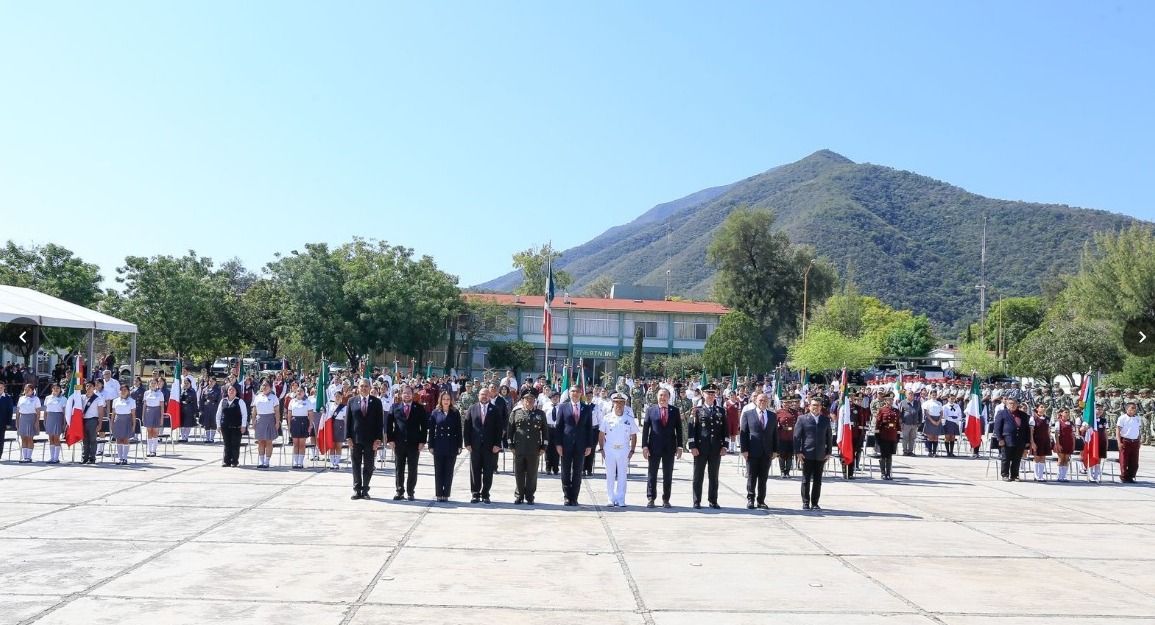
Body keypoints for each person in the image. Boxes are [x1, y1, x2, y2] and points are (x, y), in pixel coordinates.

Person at [687, 384, 727, 509]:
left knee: (714, 476)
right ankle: (696, 500)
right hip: (700, 448)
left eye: (712, 393)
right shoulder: (697, 410)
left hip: (715, 448)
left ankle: (713, 500)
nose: (710, 396)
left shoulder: (720, 411)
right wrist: (692, 446)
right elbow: (691, 429)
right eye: (708, 393)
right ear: (703, 395)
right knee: (698, 476)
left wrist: (725, 446)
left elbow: (725, 430)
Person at [642, 387, 683, 508]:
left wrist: (680, 446)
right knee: (652, 473)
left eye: (665, 395)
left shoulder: (675, 411)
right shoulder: (651, 410)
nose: (662, 398)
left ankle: (666, 499)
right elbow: (645, 430)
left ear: (669, 397)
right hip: (654, 447)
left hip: (670, 448)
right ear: (657, 397)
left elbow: (679, 430)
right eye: (660, 395)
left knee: (668, 474)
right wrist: (644, 446)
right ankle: (651, 498)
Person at [553, 385, 593, 506]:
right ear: (569, 393)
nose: (575, 393)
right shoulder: (563, 407)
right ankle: (567, 496)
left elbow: (589, 428)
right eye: (573, 391)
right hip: (566, 444)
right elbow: (558, 427)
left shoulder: (586, 408)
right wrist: (558, 444)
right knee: (565, 471)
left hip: (580, 445)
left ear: (581, 394)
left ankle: (574, 497)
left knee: (577, 471)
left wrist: (589, 445)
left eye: (577, 391)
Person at [387, 385, 428, 500]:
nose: (407, 395)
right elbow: (389, 425)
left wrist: (422, 441)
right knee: (399, 468)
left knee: (412, 469)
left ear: (413, 394)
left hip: (414, 444)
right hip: (399, 443)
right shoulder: (394, 407)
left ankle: (410, 492)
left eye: (409, 392)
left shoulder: (419, 408)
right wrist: (390, 440)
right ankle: (399, 491)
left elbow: (424, 427)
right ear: (401, 394)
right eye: (404, 393)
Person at [507, 389, 547, 504]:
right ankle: (519, 495)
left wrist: (544, 447)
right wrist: (511, 445)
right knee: (518, 473)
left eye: (531, 399)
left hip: (534, 449)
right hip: (519, 448)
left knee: (532, 473)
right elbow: (510, 431)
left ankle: (530, 496)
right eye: (527, 399)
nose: (529, 401)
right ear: (522, 400)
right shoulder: (516, 413)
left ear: (535, 401)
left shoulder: (540, 414)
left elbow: (545, 432)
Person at [347, 379, 384, 499]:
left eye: (366, 386)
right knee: (356, 465)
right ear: (358, 388)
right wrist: (348, 437)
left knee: (368, 465)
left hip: (371, 440)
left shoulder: (377, 402)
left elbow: (380, 422)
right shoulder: (351, 401)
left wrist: (378, 439)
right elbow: (348, 421)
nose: (364, 388)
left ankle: (365, 489)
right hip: (355, 439)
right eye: (361, 386)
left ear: (370, 388)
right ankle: (357, 489)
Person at [599, 392, 638, 507]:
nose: (619, 405)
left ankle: (621, 498)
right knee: (610, 475)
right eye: (616, 402)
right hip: (610, 449)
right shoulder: (607, 418)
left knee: (622, 475)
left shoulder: (629, 419)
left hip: (624, 449)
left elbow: (634, 435)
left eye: (621, 403)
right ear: (613, 403)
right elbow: (601, 434)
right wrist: (601, 449)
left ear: (625, 404)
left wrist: (632, 450)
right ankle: (611, 498)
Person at [740, 393, 778, 509]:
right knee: (752, 476)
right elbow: (743, 433)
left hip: (766, 452)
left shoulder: (772, 416)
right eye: (760, 400)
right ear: (755, 401)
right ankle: (750, 499)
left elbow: (775, 434)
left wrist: (775, 450)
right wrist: (744, 450)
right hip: (752, 451)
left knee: (763, 478)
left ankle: (761, 500)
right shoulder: (747, 414)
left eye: (765, 400)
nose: (763, 402)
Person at [465, 386, 502, 503]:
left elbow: (499, 429)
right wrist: (467, 443)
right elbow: (467, 427)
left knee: (488, 471)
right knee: (474, 470)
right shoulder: (472, 408)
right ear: (478, 396)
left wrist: (497, 444)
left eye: (486, 394)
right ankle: (475, 494)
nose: (484, 396)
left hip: (490, 447)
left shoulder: (495, 409)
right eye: (482, 394)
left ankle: (485, 494)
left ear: (489, 396)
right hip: (475, 446)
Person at [794, 397, 833, 510]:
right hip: (807, 453)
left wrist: (829, 451)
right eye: (814, 405)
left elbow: (829, 437)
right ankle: (806, 502)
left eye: (818, 405)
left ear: (821, 407)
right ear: (809, 406)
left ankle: (815, 503)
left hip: (820, 454)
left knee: (818, 480)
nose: (816, 407)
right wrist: (798, 452)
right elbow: (797, 436)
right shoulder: (802, 419)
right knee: (806, 480)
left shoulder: (825, 420)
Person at [428, 390, 463, 502]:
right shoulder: (435, 412)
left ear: (451, 400)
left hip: (451, 445)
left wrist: (459, 445)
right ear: (440, 400)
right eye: (444, 399)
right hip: (438, 445)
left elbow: (459, 430)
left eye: (448, 399)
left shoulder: (455, 412)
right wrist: (431, 445)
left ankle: (446, 493)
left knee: (449, 471)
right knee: (439, 471)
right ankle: (439, 493)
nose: (446, 401)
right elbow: (432, 431)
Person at [993, 397, 1029, 481]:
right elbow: (997, 427)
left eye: (1014, 403)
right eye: (1010, 403)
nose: (1012, 405)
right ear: (1007, 404)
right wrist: (1000, 439)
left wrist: (1027, 441)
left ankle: (1014, 475)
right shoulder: (1002, 413)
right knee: (1006, 458)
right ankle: (1005, 475)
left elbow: (1026, 428)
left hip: (1020, 440)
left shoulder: (1023, 415)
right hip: (1007, 439)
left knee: (1017, 458)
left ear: (1017, 405)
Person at [72, 381, 106, 464]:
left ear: (94, 388)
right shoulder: (81, 397)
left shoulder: (98, 398)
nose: (88, 387)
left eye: (90, 386)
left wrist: (100, 423)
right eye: (87, 386)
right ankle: (85, 458)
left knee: (92, 440)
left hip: (92, 420)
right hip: (83, 420)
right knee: (85, 440)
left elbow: (101, 412)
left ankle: (92, 458)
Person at [251, 381, 282, 468]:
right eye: (263, 385)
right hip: (260, 420)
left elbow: (277, 411)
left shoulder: (273, 397)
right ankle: (261, 461)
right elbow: (254, 411)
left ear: (270, 387)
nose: (264, 387)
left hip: (270, 419)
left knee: (268, 441)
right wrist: (253, 421)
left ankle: (267, 461)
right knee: (260, 441)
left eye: (266, 385)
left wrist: (277, 422)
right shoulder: (257, 397)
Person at [216, 384, 248, 467]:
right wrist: (218, 425)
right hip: (225, 426)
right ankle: (226, 461)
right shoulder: (223, 401)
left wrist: (243, 426)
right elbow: (218, 414)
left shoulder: (240, 401)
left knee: (235, 444)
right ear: (227, 391)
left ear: (236, 391)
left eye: (233, 390)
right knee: (227, 444)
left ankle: (234, 461)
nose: (231, 391)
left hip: (236, 427)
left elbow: (244, 414)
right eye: (230, 390)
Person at [875, 390, 901, 480]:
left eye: (891, 399)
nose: (890, 401)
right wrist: (877, 435)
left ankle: (888, 473)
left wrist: (898, 435)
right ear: (885, 400)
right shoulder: (882, 410)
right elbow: (878, 423)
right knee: (883, 455)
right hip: (884, 435)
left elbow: (898, 424)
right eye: (889, 399)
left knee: (889, 455)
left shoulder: (896, 411)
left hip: (892, 435)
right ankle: (883, 473)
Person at [40, 383, 67, 464]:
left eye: (57, 388)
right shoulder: (48, 398)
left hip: (58, 418)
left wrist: (64, 423)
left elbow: (64, 412)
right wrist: (45, 419)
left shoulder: (63, 399)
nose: (55, 390)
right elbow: (45, 410)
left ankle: (56, 458)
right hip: (49, 418)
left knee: (56, 438)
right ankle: (52, 457)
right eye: (54, 388)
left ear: (60, 389)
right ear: (52, 389)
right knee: (50, 438)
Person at [109, 384, 136, 465]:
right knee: (118, 439)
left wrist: (134, 425)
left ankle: (125, 458)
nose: (123, 392)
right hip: (118, 421)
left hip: (127, 421)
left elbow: (133, 415)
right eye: (122, 390)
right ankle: (120, 458)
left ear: (128, 391)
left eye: (125, 390)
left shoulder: (131, 401)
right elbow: (113, 414)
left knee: (125, 439)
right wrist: (111, 423)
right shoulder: (115, 401)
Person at [15, 384, 42, 463]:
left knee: (30, 438)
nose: (26, 391)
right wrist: (17, 421)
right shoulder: (21, 398)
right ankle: (24, 456)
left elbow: (38, 411)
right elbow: (18, 410)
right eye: (25, 389)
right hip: (22, 418)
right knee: (23, 438)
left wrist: (37, 421)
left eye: (28, 389)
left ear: (32, 390)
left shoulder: (36, 399)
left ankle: (29, 457)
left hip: (31, 418)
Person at [1117, 401, 1142, 483]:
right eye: (1132, 408)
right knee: (1124, 460)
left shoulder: (1138, 418)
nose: (1134, 410)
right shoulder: (1122, 418)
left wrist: (1139, 440)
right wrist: (1119, 442)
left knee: (1134, 461)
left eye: (1135, 408)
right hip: (1125, 440)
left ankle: (1131, 476)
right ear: (1127, 409)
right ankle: (1124, 477)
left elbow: (1138, 430)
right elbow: (1118, 430)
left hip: (1135, 441)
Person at [286, 387, 311, 468]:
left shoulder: (307, 402)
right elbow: (289, 414)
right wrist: (289, 424)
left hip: (304, 421)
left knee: (302, 444)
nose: (299, 392)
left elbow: (310, 414)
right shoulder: (292, 401)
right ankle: (295, 462)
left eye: (301, 391)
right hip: (295, 422)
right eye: (298, 391)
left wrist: (310, 425)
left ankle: (300, 462)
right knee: (295, 443)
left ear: (304, 392)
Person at [326, 388, 349, 470]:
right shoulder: (330, 406)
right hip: (331, 426)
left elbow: (346, 420)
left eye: (339, 396)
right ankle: (332, 463)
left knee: (338, 446)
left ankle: (336, 462)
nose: (337, 398)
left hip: (340, 426)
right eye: (336, 396)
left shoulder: (344, 407)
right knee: (332, 446)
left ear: (342, 397)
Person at [776, 395, 799, 477]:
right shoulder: (778, 412)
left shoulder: (794, 412)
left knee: (790, 454)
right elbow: (775, 424)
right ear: (782, 403)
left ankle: (787, 472)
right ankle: (782, 471)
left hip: (791, 436)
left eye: (789, 402)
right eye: (785, 402)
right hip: (782, 436)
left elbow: (798, 423)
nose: (787, 404)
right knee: (782, 454)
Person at [1028, 404, 1053, 482]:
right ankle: (1036, 475)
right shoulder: (1033, 418)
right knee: (1037, 458)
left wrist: (1050, 440)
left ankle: (1041, 476)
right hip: (1037, 440)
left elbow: (1048, 430)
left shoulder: (1047, 419)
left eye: (1044, 407)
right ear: (1037, 409)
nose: (1043, 408)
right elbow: (1031, 432)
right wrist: (1032, 442)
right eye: (1041, 407)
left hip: (1045, 440)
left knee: (1043, 457)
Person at [140, 379, 165, 457]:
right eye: (152, 383)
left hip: (156, 412)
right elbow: (144, 405)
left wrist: (161, 417)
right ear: (149, 384)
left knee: (155, 431)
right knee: (149, 431)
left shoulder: (160, 393)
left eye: (155, 383)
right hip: (148, 412)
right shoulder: (146, 393)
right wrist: (143, 415)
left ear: (157, 384)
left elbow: (162, 406)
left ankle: (154, 451)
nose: (153, 384)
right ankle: (149, 450)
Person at [1053, 407, 1074, 482]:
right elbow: (1056, 434)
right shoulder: (1058, 422)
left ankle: (1064, 476)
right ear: (1061, 413)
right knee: (1061, 459)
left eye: (1068, 412)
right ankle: (1059, 476)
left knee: (1066, 459)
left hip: (1069, 443)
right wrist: (1058, 444)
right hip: (1061, 442)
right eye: (1065, 412)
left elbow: (1072, 434)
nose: (1067, 413)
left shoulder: (1071, 423)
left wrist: (1073, 445)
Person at [921, 390, 943, 457]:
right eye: (933, 395)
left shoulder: (939, 403)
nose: (934, 396)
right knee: (930, 437)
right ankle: (930, 452)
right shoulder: (927, 403)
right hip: (930, 419)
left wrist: (939, 420)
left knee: (936, 437)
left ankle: (934, 452)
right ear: (930, 395)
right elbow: (926, 413)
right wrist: (932, 421)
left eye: (935, 395)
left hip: (937, 419)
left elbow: (941, 413)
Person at [199, 377, 221, 443]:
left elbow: (219, 400)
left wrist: (219, 409)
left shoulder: (217, 390)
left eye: (212, 381)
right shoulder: (205, 389)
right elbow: (201, 399)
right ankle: (207, 438)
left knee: (213, 423)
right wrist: (201, 409)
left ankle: (212, 438)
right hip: (206, 408)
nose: (211, 382)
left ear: (215, 382)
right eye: (210, 381)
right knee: (207, 423)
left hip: (214, 408)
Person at [942, 391, 963, 457]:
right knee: (947, 437)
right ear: (948, 399)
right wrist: (952, 419)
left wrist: (957, 419)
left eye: (953, 398)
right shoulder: (945, 406)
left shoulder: (957, 406)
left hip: (955, 423)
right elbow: (945, 415)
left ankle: (951, 452)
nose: (952, 400)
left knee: (953, 437)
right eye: (951, 398)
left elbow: (960, 414)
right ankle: (948, 452)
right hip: (948, 422)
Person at [898, 392, 919, 456]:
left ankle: (910, 451)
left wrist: (919, 422)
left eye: (912, 394)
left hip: (914, 423)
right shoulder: (903, 402)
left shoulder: (917, 402)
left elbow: (920, 412)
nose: (911, 395)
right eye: (909, 394)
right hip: (906, 423)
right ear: (906, 395)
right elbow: (900, 413)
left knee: (912, 438)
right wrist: (900, 423)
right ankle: (905, 451)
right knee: (905, 438)